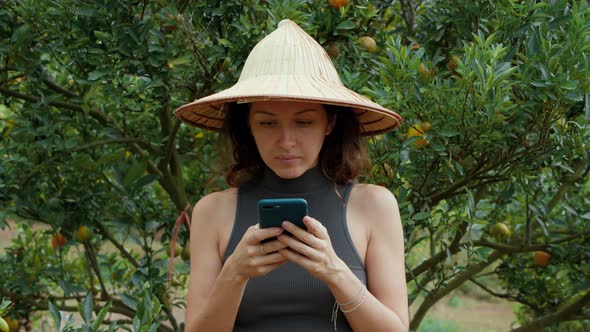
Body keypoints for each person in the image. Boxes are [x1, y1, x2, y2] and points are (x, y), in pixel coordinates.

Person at [175, 19, 408, 332]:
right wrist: (235, 272)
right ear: (248, 126)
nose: (286, 142)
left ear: (329, 123)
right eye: (268, 124)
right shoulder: (213, 212)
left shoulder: (374, 206)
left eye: (303, 123)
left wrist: (334, 271)